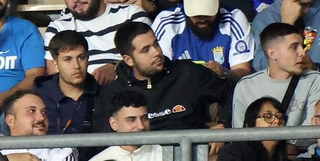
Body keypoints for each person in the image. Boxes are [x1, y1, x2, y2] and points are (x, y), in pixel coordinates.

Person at [96, 22, 235, 133]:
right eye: (146, 50)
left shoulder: (188, 72)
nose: (156, 52)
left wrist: (223, 127)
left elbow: (232, 94)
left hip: (195, 156)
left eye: (156, 44)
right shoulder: (115, 92)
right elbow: (103, 139)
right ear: (128, 60)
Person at [152, 0, 256, 78]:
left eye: (207, 13)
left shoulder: (234, 19)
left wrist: (224, 73)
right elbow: (159, 73)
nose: (202, 19)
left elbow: (243, 73)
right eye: (196, 15)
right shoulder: (166, 22)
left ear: (218, 2)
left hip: (223, 90)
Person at [233, 22, 320, 127]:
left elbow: (316, 129)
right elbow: (241, 132)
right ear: (272, 53)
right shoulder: (245, 86)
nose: (302, 53)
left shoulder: (317, 80)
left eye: (302, 46)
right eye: (294, 47)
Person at [217, 97, 292, 161]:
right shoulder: (233, 152)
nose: (277, 121)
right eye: (268, 116)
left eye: (281, 117)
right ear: (251, 123)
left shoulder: (283, 158)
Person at [36, 32, 98, 136]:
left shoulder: (103, 95)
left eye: (81, 57)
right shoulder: (39, 95)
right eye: (67, 59)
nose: (76, 66)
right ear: (56, 64)